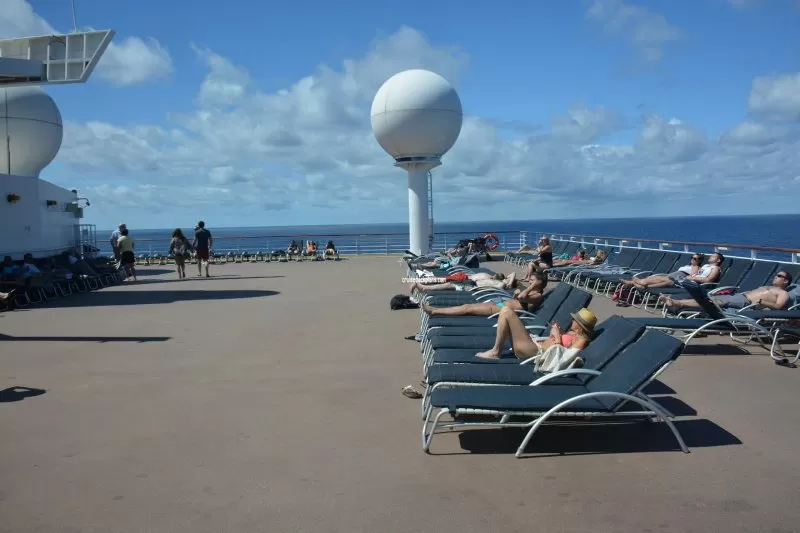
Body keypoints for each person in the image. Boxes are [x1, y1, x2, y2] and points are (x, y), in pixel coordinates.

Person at [475, 306, 597, 360]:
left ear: (580, 325)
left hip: (536, 353)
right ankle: (496, 350)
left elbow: (563, 358)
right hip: (535, 345)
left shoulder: (581, 340)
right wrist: (555, 333)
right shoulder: (572, 333)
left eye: (574, 320)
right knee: (505, 312)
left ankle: (496, 352)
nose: (572, 320)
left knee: (506, 311)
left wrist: (557, 336)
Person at [419, 272, 547, 317]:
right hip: (501, 304)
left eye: (533, 281)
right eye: (530, 280)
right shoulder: (531, 292)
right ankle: (435, 310)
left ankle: (434, 311)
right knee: (467, 306)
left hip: (502, 309)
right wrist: (516, 294)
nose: (530, 282)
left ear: (539, 283)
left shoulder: (538, 296)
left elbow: (522, 298)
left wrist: (529, 288)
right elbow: (518, 299)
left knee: (467, 308)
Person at [660, 270, 794, 311]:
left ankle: (678, 303)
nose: (775, 276)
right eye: (776, 274)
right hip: (739, 297)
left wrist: (763, 302)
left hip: (746, 303)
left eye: (779, 276)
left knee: (712, 301)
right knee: (709, 299)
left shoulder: (783, 293)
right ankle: (678, 303)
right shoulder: (767, 286)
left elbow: (779, 307)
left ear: (786, 281)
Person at [620, 253, 708, 290]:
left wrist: (680, 277)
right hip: (671, 276)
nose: (692, 259)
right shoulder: (689, 266)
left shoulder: (696, 267)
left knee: (655, 278)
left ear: (699, 261)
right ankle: (635, 283)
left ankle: (637, 282)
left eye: (695, 258)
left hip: (676, 279)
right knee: (653, 277)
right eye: (692, 257)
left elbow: (692, 276)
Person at [411, 271, 519, 295]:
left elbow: (513, 275)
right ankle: (423, 286)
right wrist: (508, 279)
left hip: (472, 287)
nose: (506, 278)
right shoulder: (498, 281)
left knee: (448, 284)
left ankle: (424, 287)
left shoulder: (501, 284)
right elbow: (513, 273)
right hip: (470, 283)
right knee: (447, 283)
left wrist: (509, 282)